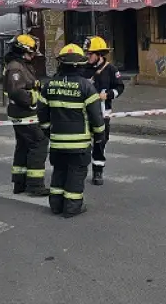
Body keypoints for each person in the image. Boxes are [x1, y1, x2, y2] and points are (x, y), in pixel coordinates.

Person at [40, 44, 106, 218]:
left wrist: (48, 131)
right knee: (76, 174)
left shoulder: (48, 85)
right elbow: (96, 117)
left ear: (61, 63)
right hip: (79, 144)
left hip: (57, 142)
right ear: (80, 64)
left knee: (59, 171)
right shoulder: (86, 87)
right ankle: (72, 207)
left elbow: (42, 114)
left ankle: (55, 205)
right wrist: (100, 135)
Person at [3, 34, 50, 196]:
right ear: (23, 51)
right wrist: (34, 100)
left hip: (23, 113)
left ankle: (20, 183)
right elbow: (16, 91)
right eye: (31, 53)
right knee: (39, 143)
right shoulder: (16, 67)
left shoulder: (21, 64)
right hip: (24, 114)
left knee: (23, 146)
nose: (32, 57)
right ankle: (35, 185)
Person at [81, 35, 125, 186]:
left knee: (101, 141)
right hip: (84, 113)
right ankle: (80, 169)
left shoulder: (111, 69)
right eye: (86, 53)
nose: (87, 56)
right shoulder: (82, 69)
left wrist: (108, 95)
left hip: (103, 112)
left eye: (90, 54)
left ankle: (98, 171)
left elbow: (120, 87)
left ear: (99, 54)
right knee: (83, 142)